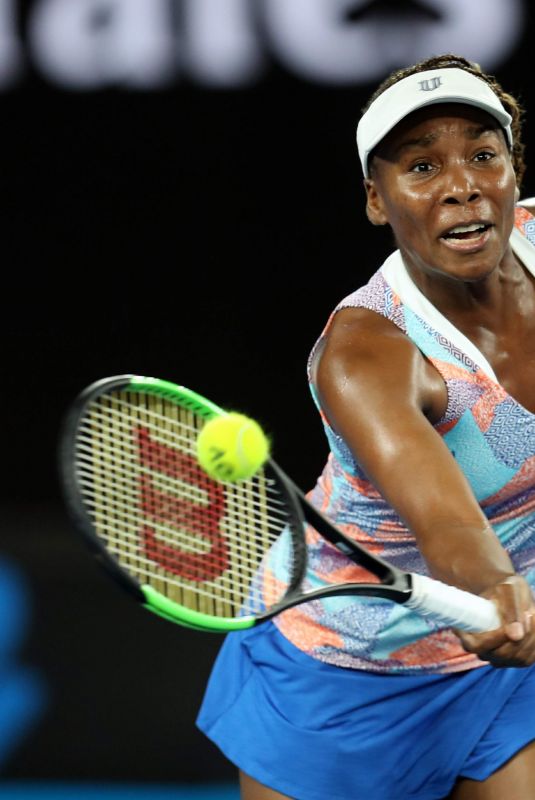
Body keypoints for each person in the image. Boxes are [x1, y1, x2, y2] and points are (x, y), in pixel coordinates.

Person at [197, 54, 535, 800]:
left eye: (482, 155)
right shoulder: (365, 352)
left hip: (502, 671)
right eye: (419, 167)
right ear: (377, 202)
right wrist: (498, 591)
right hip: (347, 675)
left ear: (513, 170)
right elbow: (448, 526)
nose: (460, 185)